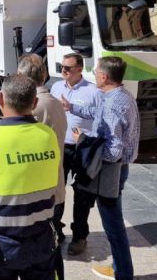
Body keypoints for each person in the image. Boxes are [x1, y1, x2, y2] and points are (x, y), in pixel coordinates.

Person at [0, 75, 60, 280]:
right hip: (41, 237)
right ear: (34, 103)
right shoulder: (47, 135)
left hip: (0, 243)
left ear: (1, 99)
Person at [61, 56, 140, 280]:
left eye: (96, 72)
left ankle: (123, 273)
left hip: (109, 172)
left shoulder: (113, 104)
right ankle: (119, 268)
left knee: (114, 227)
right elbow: (99, 116)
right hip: (119, 169)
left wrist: (83, 142)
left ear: (104, 76)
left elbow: (113, 150)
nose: (94, 75)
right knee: (113, 221)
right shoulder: (121, 96)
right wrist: (72, 107)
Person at [17, 53, 67, 280]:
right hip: (56, 187)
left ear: (21, 77)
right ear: (45, 75)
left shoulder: (33, 110)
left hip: (37, 194)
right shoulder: (56, 103)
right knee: (51, 246)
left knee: (41, 252)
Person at [50, 53, 101, 255]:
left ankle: (79, 236)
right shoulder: (56, 88)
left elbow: (99, 118)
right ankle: (57, 231)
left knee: (82, 194)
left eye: (68, 68)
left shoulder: (92, 91)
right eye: (61, 67)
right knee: (57, 191)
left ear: (80, 69)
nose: (63, 71)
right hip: (60, 147)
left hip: (81, 148)